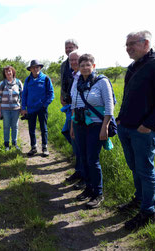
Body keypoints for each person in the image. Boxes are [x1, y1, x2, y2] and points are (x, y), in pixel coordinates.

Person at [116, 30, 155, 230]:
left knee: (145, 170)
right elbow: (128, 95)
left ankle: (148, 212)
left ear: (146, 43)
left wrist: (149, 124)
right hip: (126, 127)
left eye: (131, 44)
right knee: (134, 167)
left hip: (143, 130)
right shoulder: (134, 66)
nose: (128, 48)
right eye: (126, 45)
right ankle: (139, 199)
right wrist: (120, 118)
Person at [70, 54, 114, 209]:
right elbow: (73, 106)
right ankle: (88, 188)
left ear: (94, 66)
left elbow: (109, 105)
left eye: (88, 64)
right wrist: (72, 126)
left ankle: (98, 193)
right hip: (79, 124)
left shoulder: (102, 81)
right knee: (82, 157)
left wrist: (105, 126)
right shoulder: (77, 82)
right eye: (82, 65)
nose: (84, 68)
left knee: (92, 159)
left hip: (96, 125)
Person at [21, 60, 54, 157]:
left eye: (37, 67)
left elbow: (51, 94)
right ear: (30, 69)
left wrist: (45, 104)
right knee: (31, 129)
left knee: (44, 128)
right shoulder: (27, 80)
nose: (36, 69)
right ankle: (33, 147)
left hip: (42, 109)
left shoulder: (46, 79)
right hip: (30, 109)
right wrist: (23, 107)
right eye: (33, 67)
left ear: (40, 68)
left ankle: (44, 147)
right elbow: (24, 94)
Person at [64, 50, 85, 189]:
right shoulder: (74, 76)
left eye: (75, 60)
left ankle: (84, 176)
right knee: (70, 135)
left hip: (85, 117)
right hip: (74, 114)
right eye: (70, 60)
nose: (73, 63)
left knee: (82, 147)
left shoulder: (85, 75)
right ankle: (79, 171)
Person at [0, 65, 23, 151]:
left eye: (10, 71)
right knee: (6, 126)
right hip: (5, 110)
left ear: (13, 72)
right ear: (4, 74)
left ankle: (14, 143)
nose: (8, 73)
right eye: (6, 72)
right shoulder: (2, 84)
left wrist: (22, 108)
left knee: (15, 126)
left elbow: (22, 96)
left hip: (16, 109)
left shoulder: (18, 83)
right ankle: (6, 144)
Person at [60, 39, 79, 106]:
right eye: (66, 48)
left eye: (70, 47)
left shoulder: (84, 63)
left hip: (80, 100)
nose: (68, 49)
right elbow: (62, 81)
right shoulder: (63, 65)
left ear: (77, 48)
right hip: (67, 100)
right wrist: (61, 96)